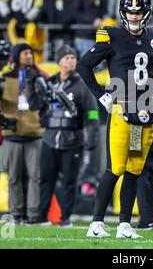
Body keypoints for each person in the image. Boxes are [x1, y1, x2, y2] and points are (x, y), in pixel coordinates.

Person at [77, 0, 153, 239]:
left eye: (138, 11)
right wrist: (101, 94)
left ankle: (124, 225)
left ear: (146, 12)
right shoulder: (111, 35)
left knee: (135, 169)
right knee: (116, 167)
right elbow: (84, 65)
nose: (133, 16)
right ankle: (96, 223)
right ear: (123, 12)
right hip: (121, 109)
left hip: (146, 111)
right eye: (130, 11)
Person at [38, 45, 100, 227]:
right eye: (67, 58)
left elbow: (93, 113)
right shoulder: (49, 83)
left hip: (73, 140)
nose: (71, 60)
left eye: (73, 58)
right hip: (49, 139)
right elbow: (40, 108)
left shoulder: (83, 85)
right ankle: (41, 217)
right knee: (45, 179)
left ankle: (65, 217)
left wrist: (92, 137)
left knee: (69, 182)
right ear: (59, 62)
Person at [0, 43, 46, 224]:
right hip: (12, 132)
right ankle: (15, 213)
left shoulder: (39, 77)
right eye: (26, 53)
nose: (29, 56)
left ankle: (33, 214)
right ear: (17, 55)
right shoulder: (5, 77)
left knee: (35, 177)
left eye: (31, 52)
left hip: (34, 132)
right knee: (13, 178)